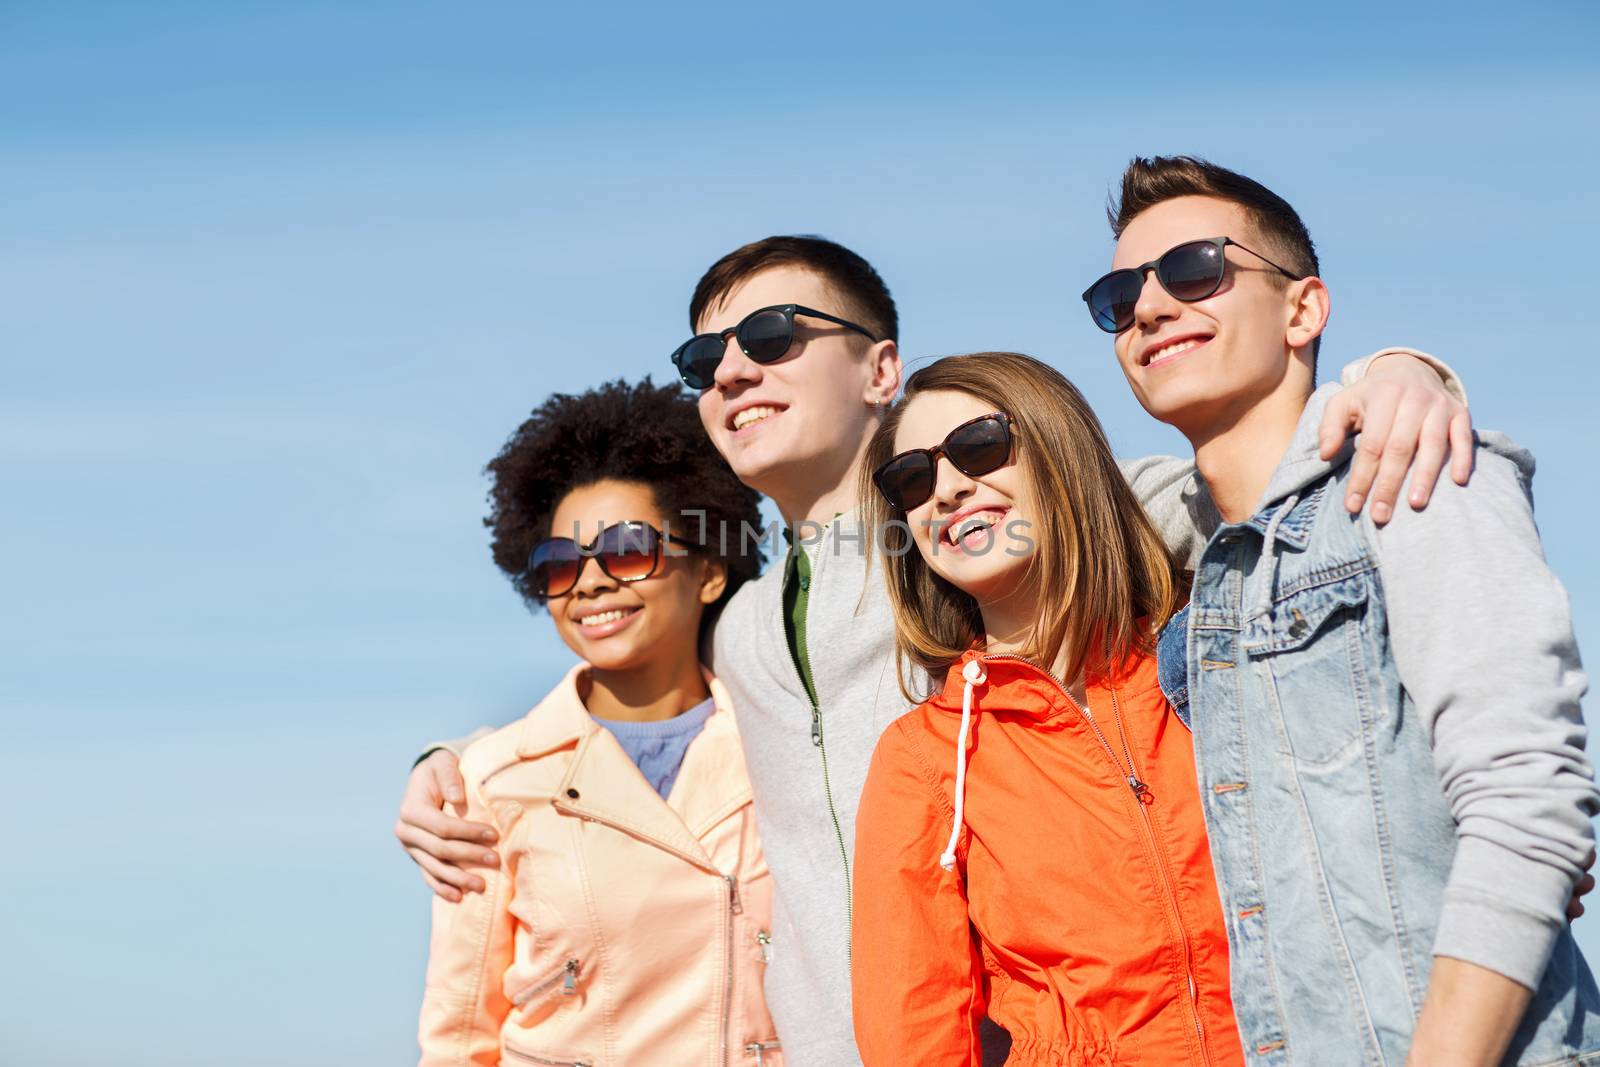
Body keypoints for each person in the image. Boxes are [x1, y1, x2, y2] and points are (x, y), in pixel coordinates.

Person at [397, 236, 1472, 1065]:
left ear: (880, 368)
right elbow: (623, 694)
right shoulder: (746, 625)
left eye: (771, 337)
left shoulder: (994, 525)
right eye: (703, 357)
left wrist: (1395, 373)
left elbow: (1262, 481)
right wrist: (446, 767)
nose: (730, 371)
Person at [1084, 155, 1599, 1065]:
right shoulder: (1188, 553)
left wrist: (1404, 376)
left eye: (1195, 268)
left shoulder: (1415, 473)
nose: (1150, 307)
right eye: (1120, 294)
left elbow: (1528, 802)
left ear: (1302, 309)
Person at [851, 351, 1249, 1065]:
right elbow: (913, 1035)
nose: (945, 489)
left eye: (979, 446)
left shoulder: (1218, 648)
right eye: (912, 478)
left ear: (1058, 450)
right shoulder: (925, 758)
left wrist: (1403, 372)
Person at [415, 379, 782, 1066]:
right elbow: (462, 1036)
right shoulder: (493, 783)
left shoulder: (782, 745)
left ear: (707, 569)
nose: (589, 582)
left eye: (627, 550)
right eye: (559, 564)